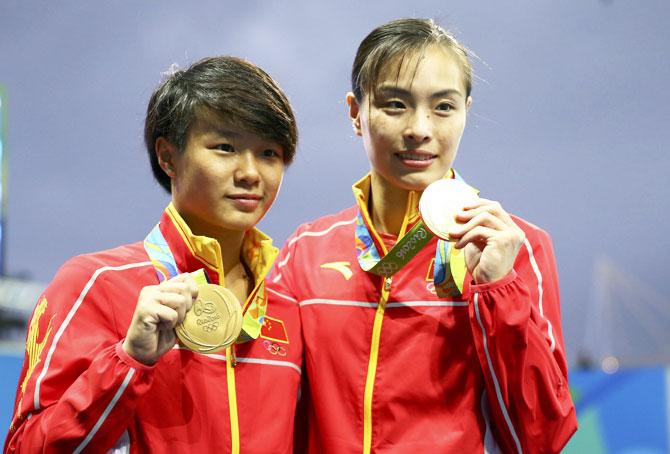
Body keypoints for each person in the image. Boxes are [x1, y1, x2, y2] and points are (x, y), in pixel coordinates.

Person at [267, 18, 577, 453]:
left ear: (466, 112)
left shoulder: (516, 247)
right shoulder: (306, 250)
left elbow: (540, 439)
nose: (419, 128)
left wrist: (498, 290)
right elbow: (263, 409)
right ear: (356, 113)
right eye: (395, 104)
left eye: (443, 107)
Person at [5, 56, 301, 453]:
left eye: (269, 153)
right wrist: (128, 360)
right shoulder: (96, 284)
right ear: (168, 157)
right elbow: (26, 447)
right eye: (225, 147)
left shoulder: (292, 300)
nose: (250, 172)